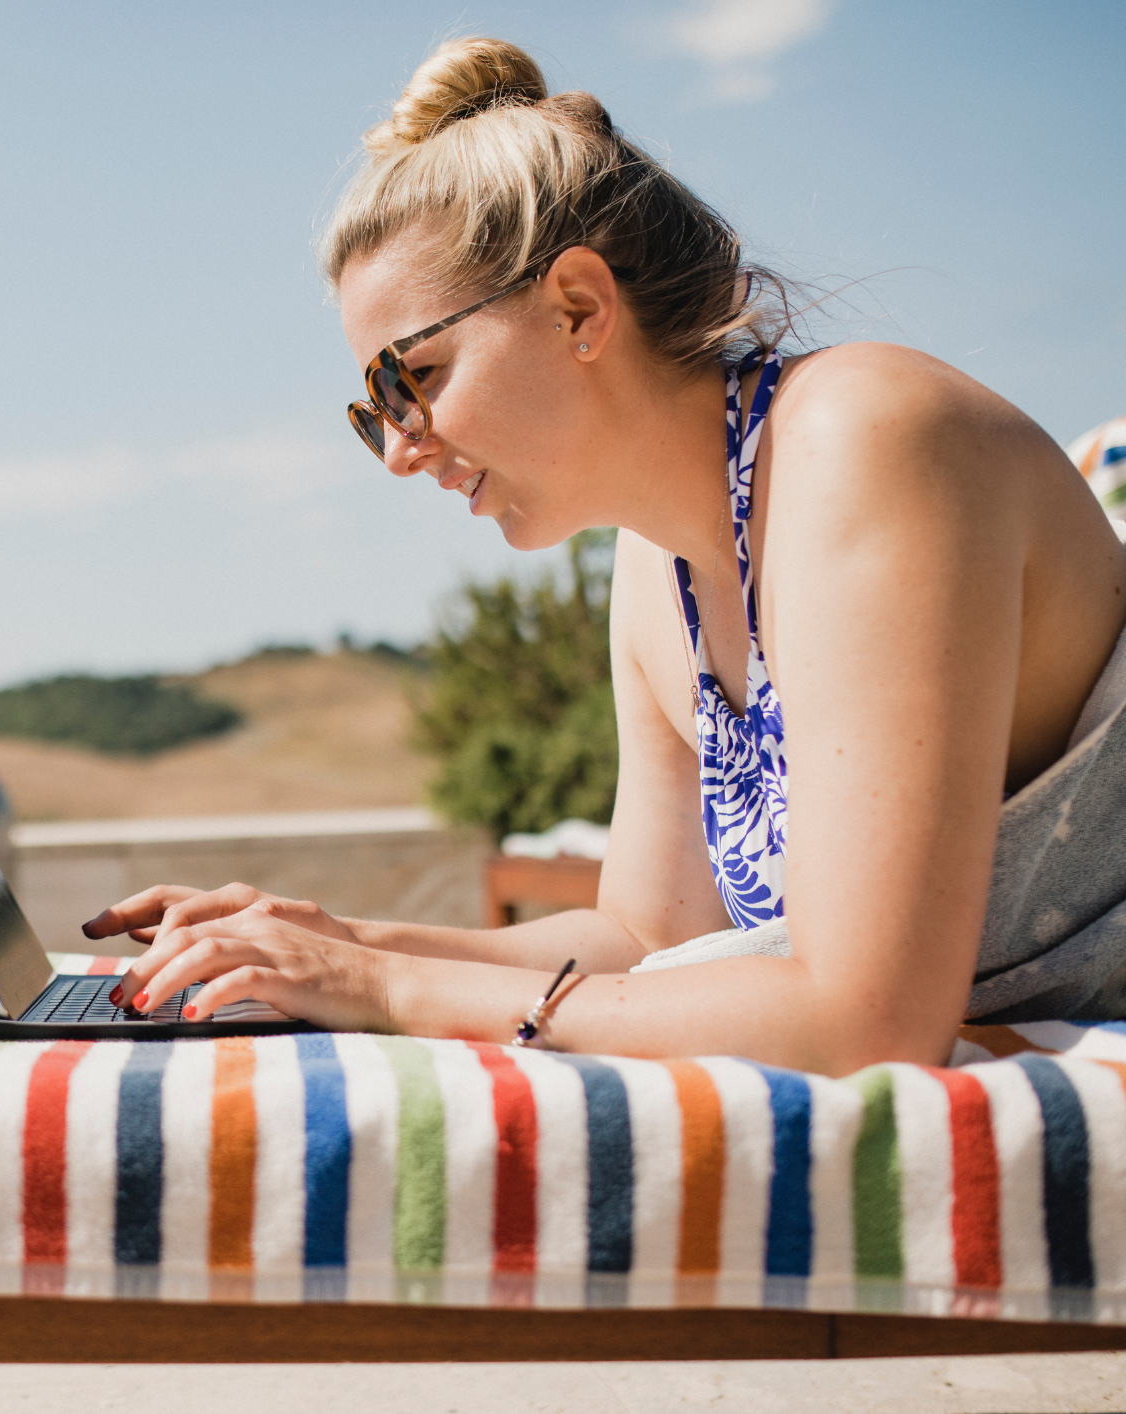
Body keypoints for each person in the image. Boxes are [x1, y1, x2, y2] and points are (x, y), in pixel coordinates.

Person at [82, 37, 1126, 1075]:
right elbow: (644, 940)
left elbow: (865, 1019)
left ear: (576, 305)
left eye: (416, 377)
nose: (398, 449)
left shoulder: (867, 440)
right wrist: (337, 943)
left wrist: (385, 989)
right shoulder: (653, 566)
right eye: (373, 411)